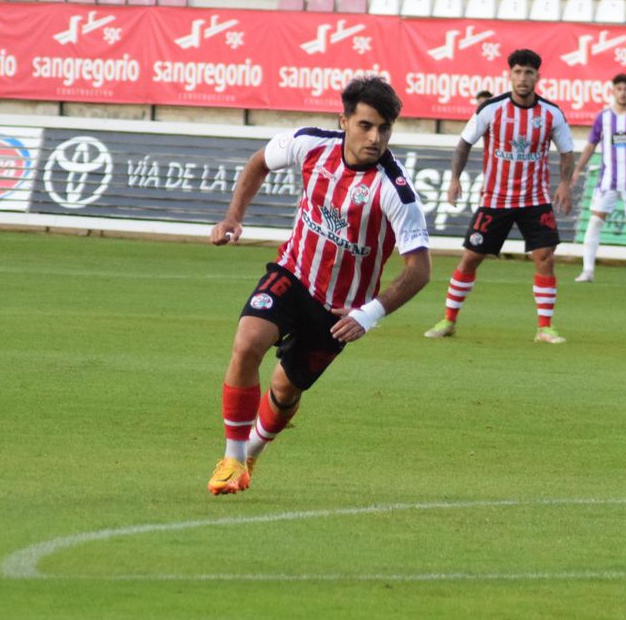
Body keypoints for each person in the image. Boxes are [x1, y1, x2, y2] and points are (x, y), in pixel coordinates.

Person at [205, 76, 432, 496]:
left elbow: (419, 270)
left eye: (384, 129)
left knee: (284, 388)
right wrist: (233, 217)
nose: (375, 137)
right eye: (365, 125)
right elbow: (258, 162)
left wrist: (370, 314)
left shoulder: (395, 190)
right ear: (343, 121)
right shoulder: (310, 144)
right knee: (247, 343)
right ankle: (231, 458)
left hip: (340, 311)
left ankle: (252, 452)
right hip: (293, 274)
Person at [426, 49, 576, 343]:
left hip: (535, 199)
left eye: (528, 72)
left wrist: (564, 184)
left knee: (545, 257)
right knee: (471, 257)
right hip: (495, 199)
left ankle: (544, 328)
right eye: (518, 72)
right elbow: (464, 144)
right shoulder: (491, 109)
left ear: (537, 77)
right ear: (510, 75)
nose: (523, 78)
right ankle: (448, 320)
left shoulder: (551, 113)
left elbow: (567, 152)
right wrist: (454, 179)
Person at [573, 74, 626, 285]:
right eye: (619, 89)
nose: (622, 93)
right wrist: (577, 169)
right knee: (594, 222)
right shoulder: (603, 117)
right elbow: (591, 145)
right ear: (613, 91)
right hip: (608, 180)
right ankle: (588, 270)